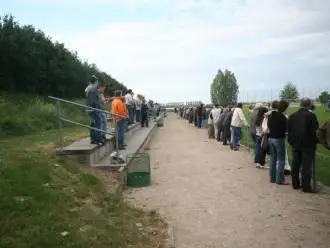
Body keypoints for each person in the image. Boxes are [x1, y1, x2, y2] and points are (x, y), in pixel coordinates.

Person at [288, 98, 319, 193]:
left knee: (296, 164)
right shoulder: (311, 116)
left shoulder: (292, 116)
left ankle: (295, 183)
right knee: (306, 166)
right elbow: (314, 131)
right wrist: (315, 141)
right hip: (307, 144)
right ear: (309, 105)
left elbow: (289, 130)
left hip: (295, 143)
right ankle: (306, 187)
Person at [267, 100, 289, 185]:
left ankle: (272, 178)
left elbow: (269, 126)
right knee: (281, 160)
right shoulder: (283, 117)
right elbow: (286, 130)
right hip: (279, 139)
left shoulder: (271, 115)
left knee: (273, 158)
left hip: (271, 138)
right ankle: (280, 179)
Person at [85, 75, 104, 145]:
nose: (98, 84)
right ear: (95, 82)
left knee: (93, 124)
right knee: (98, 123)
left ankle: (93, 139)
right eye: (97, 82)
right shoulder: (93, 90)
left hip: (91, 109)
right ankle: (97, 139)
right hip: (94, 110)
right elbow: (95, 101)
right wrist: (100, 108)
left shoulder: (89, 89)